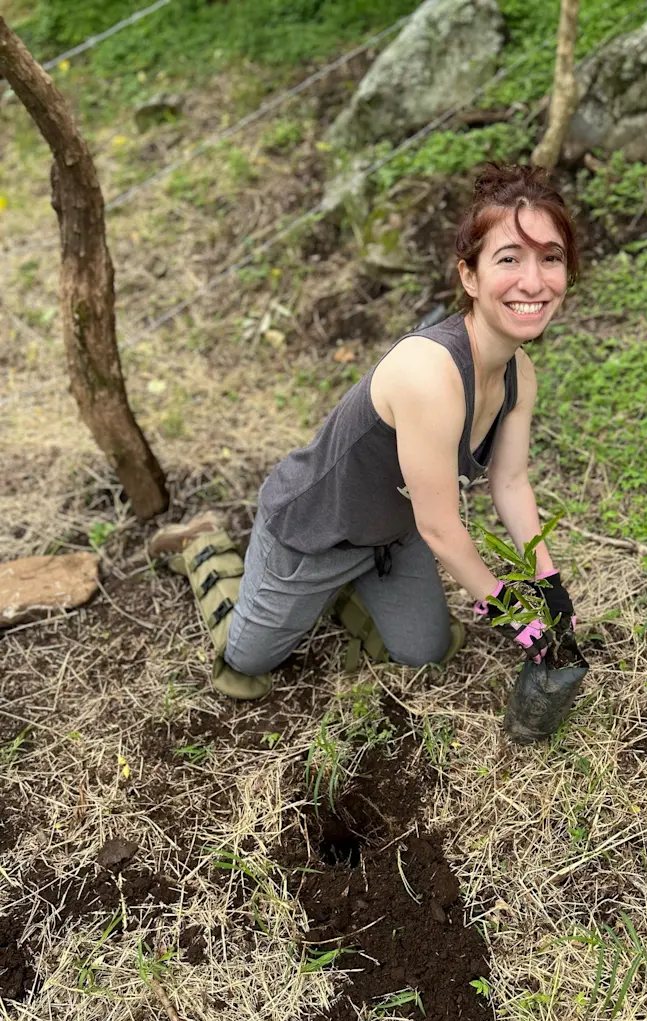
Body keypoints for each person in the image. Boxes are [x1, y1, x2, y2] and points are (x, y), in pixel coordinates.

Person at [151, 162, 581, 702]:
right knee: (247, 670)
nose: (534, 281)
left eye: (551, 258)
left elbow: (511, 483)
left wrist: (549, 583)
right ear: (469, 276)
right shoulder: (430, 373)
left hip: (392, 536)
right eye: (510, 259)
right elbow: (443, 529)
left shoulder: (520, 373)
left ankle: (346, 592)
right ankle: (203, 541)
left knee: (427, 651)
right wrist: (509, 612)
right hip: (314, 533)